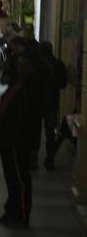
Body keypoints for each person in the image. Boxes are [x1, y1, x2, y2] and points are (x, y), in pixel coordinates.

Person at [0, 52, 33, 227]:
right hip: (7, 140)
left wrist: (19, 138)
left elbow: (26, 118)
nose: (19, 68)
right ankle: (11, 210)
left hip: (16, 142)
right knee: (11, 178)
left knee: (18, 180)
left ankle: (20, 214)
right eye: (18, 65)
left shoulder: (26, 89)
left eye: (23, 65)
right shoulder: (17, 85)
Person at [39, 41, 67, 170]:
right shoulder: (59, 64)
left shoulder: (37, 64)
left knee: (34, 129)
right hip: (52, 102)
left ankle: (32, 158)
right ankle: (50, 159)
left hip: (37, 102)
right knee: (50, 133)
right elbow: (63, 84)